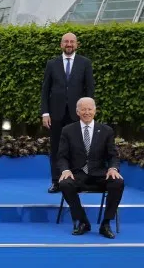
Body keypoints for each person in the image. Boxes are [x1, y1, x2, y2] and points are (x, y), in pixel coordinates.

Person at [57, 97, 123, 239]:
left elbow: (113, 155)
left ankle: (105, 224)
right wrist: (65, 170)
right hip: (78, 174)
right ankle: (83, 221)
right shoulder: (68, 130)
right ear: (77, 112)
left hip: (100, 174)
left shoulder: (106, 130)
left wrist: (113, 168)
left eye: (89, 109)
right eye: (83, 109)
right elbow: (62, 156)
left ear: (95, 111)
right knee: (64, 183)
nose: (86, 112)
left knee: (117, 182)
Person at [42, 32, 94, 193]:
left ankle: (77, 182)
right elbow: (45, 90)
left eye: (72, 41)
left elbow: (89, 89)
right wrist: (45, 113)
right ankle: (56, 181)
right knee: (57, 148)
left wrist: (88, 112)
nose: (69, 44)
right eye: (66, 42)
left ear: (76, 44)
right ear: (61, 45)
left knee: (78, 148)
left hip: (77, 114)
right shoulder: (52, 64)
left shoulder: (85, 63)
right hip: (56, 114)